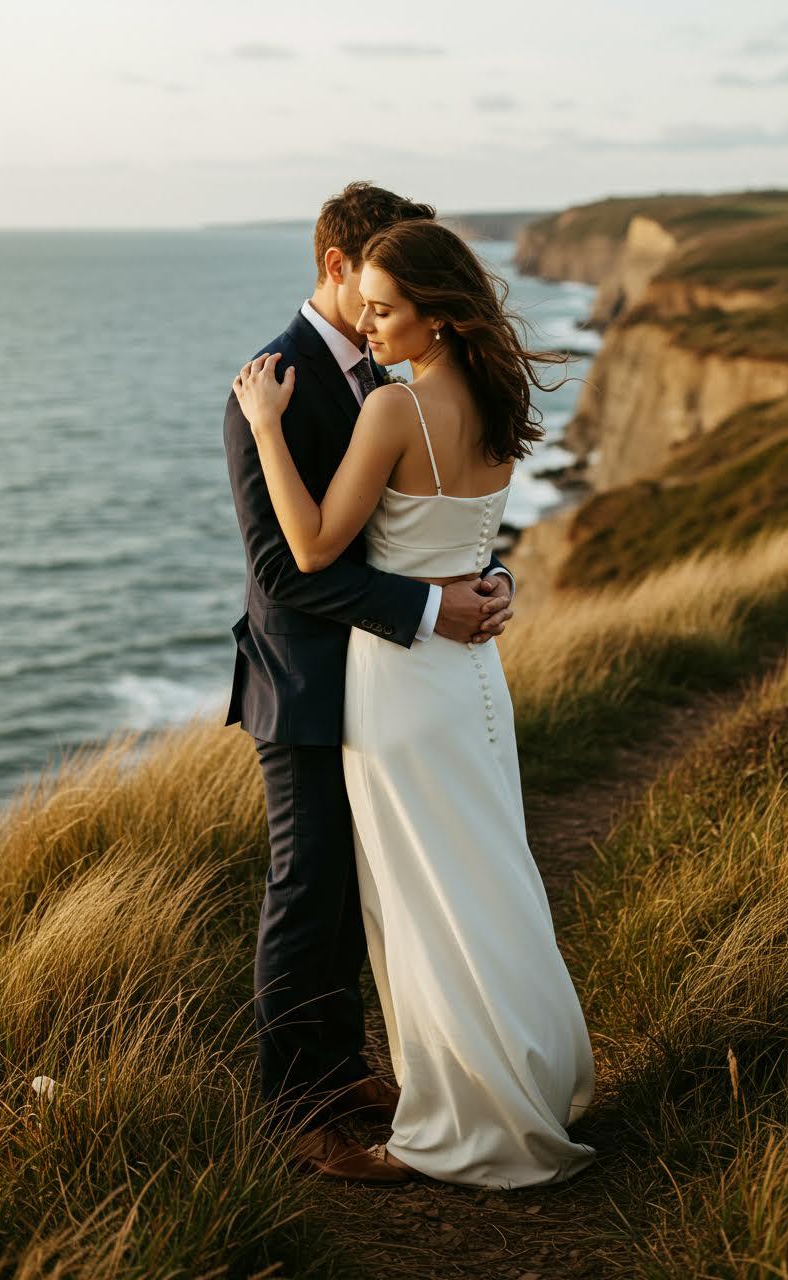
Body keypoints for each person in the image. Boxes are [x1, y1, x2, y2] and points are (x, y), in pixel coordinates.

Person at [232, 216, 596, 1190]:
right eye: (369, 303)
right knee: (486, 873)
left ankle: (458, 1105)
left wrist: (267, 426)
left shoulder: (391, 408)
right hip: (474, 676)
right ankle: (524, 1069)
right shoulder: (495, 390)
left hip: (398, 683)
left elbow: (304, 549)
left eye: (390, 309)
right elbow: (470, 538)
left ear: (433, 313)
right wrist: (486, 582)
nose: (374, 321)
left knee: (417, 896)